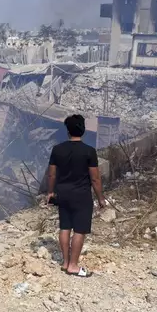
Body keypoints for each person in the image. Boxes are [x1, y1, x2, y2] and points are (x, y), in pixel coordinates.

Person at [47, 114, 105, 277]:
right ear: (83, 130)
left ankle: (65, 262)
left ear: (67, 131)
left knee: (65, 227)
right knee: (79, 230)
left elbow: (51, 175)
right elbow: (95, 178)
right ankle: (73, 265)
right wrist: (100, 198)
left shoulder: (57, 149)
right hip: (81, 195)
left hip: (63, 194)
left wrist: (50, 192)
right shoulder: (89, 151)